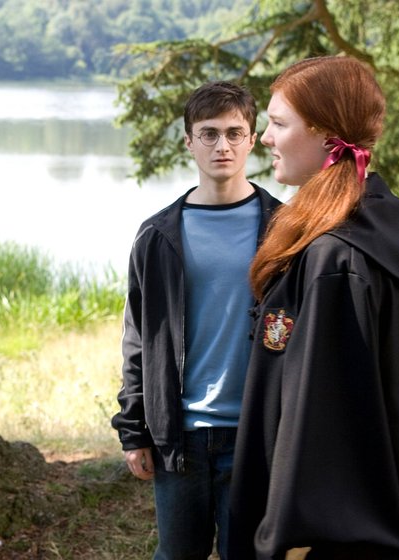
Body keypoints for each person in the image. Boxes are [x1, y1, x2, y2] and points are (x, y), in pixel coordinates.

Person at [228, 56, 399, 560]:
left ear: (326, 135)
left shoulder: (337, 258)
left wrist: (292, 540)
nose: (265, 138)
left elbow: (328, 421)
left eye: (279, 123)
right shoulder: (347, 230)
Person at [111, 81, 282, 560]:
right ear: (189, 141)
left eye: (234, 133)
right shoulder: (158, 235)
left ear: (252, 140)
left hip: (256, 434)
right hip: (180, 435)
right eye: (209, 134)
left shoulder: (284, 230)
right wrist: (134, 430)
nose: (222, 145)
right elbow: (139, 339)